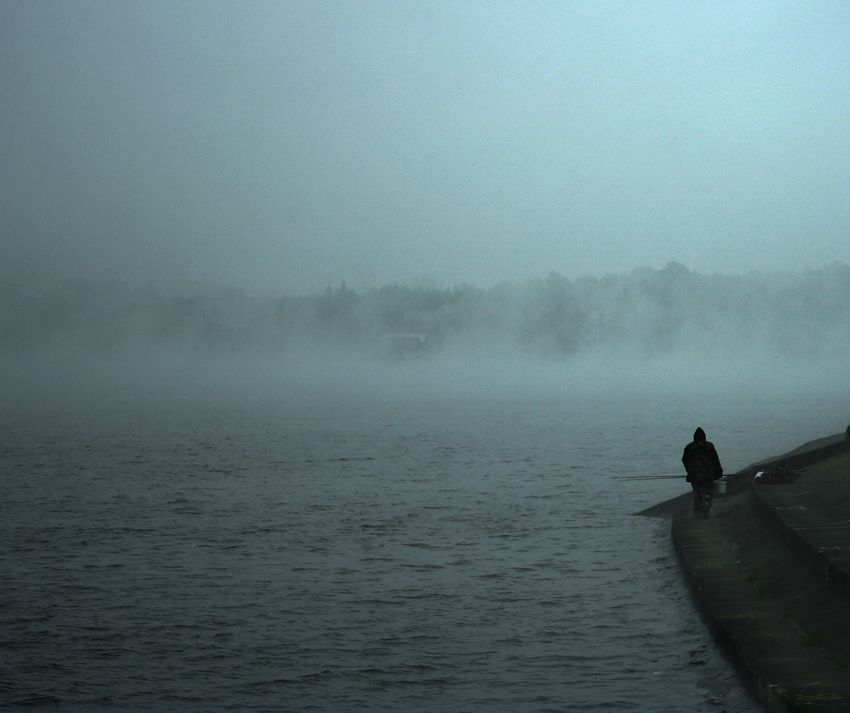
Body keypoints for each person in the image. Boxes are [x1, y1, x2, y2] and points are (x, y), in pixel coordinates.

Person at [682, 427, 723, 519]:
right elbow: (715, 460)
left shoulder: (689, 447)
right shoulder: (709, 446)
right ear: (704, 437)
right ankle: (705, 509)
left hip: (694, 475)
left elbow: (684, 460)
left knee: (697, 494)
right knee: (707, 494)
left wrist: (689, 470)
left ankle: (697, 511)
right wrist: (719, 472)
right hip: (708, 475)